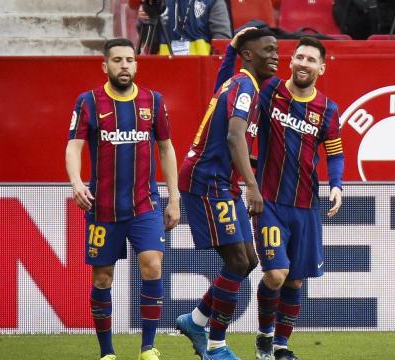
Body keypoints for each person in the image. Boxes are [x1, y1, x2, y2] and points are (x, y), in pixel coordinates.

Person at [217, 33, 344, 360]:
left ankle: (281, 346)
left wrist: (338, 185)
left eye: (311, 59)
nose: (304, 63)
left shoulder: (328, 109)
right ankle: (265, 336)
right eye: (299, 57)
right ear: (291, 61)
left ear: (322, 68)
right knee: (275, 274)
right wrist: (231, 51)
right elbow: (226, 87)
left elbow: (335, 153)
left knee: (296, 281)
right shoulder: (269, 89)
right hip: (269, 201)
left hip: (306, 206)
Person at [65, 38, 181, 360]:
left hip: (145, 204)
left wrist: (174, 198)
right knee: (103, 277)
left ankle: (148, 348)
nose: (124, 65)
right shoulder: (88, 102)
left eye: (129, 59)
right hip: (102, 207)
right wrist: (76, 183)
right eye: (117, 60)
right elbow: (73, 147)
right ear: (105, 66)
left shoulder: (153, 101)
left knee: (153, 265)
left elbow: (167, 148)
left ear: (137, 64)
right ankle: (107, 352)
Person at [175, 28, 278, 360]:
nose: (276, 55)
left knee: (247, 261)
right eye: (268, 50)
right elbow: (235, 137)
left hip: (222, 182)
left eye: (277, 50)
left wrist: (232, 49)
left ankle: (195, 321)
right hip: (208, 181)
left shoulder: (235, 82)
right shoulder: (244, 85)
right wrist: (252, 186)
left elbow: (224, 75)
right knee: (236, 260)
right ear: (249, 56)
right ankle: (216, 345)